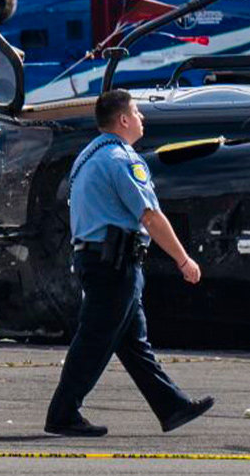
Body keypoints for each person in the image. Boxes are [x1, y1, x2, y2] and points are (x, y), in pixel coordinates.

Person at [45, 89, 214, 436]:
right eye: (137, 112)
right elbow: (150, 217)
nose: (142, 118)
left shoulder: (89, 154)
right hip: (114, 264)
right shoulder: (122, 160)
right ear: (123, 120)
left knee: (133, 343)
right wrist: (183, 259)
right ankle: (63, 413)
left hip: (102, 260)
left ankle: (172, 407)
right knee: (94, 339)